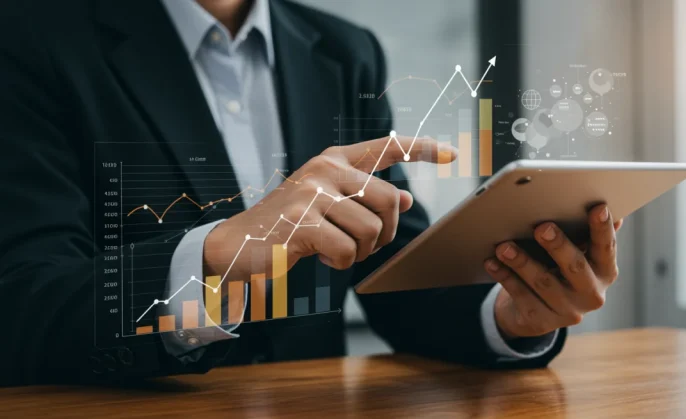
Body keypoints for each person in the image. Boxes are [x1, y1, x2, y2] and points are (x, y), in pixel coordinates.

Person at [0, 0, 622, 386]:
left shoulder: (345, 51)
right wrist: (213, 255)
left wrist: (510, 313)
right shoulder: (28, 36)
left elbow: (393, 270)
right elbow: (23, 301)